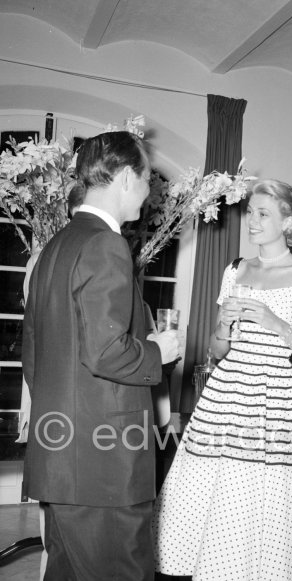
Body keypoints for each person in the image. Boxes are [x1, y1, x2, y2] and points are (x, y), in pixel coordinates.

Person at [153, 179, 292, 580]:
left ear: (290, 221)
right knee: (212, 501)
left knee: (263, 507)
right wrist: (223, 326)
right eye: (250, 211)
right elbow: (219, 351)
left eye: (263, 213)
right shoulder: (235, 269)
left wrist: (276, 324)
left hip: (277, 403)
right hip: (224, 397)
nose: (251, 220)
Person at [22, 130, 180, 581]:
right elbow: (107, 352)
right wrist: (157, 350)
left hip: (63, 459)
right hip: (104, 467)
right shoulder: (107, 245)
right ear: (128, 178)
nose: (150, 195)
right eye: (149, 181)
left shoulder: (56, 246)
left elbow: (34, 351)